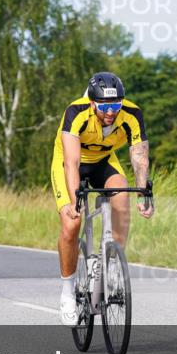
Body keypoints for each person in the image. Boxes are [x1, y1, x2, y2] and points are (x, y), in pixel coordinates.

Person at [50, 72, 153, 325]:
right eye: (104, 106)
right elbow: (71, 163)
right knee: (72, 223)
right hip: (70, 163)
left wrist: (143, 193)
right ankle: (67, 293)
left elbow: (139, 155)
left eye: (115, 106)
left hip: (103, 161)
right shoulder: (76, 112)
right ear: (92, 102)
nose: (110, 112)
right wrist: (75, 200)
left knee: (122, 193)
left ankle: (112, 267)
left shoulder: (132, 114)